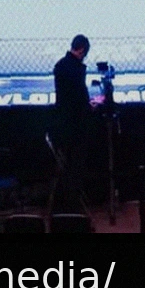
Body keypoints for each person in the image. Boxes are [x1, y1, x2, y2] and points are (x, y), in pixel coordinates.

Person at [51, 35, 93, 213]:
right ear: (82, 50)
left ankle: (67, 203)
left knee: (67, 166)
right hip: (75, 128)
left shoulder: (60, 65)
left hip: (63, 125)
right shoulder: (75, 69)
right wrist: (89, 105)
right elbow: (80, 99)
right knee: (75, 166)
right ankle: (73, 206)